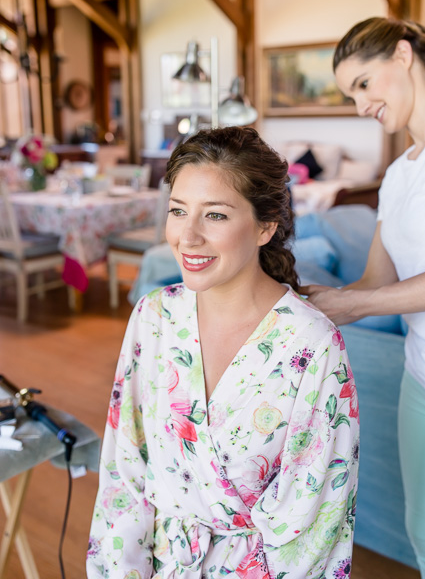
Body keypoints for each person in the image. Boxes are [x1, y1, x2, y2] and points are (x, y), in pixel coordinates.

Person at [87, 126, 359, 579]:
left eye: (214, 216)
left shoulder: (311, 344)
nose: (187, 237)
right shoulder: (155, 316)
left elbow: (317, 523)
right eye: (178, 211)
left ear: (265, 226)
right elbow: (123, 472)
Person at [301, 17, 425, 579]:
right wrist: (316, 298)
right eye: (350, 94)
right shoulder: (395, 175)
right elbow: (372, 279)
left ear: (403, 55)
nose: (361, 104)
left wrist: (360, 307)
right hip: (423, 375)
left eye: (364, 83)